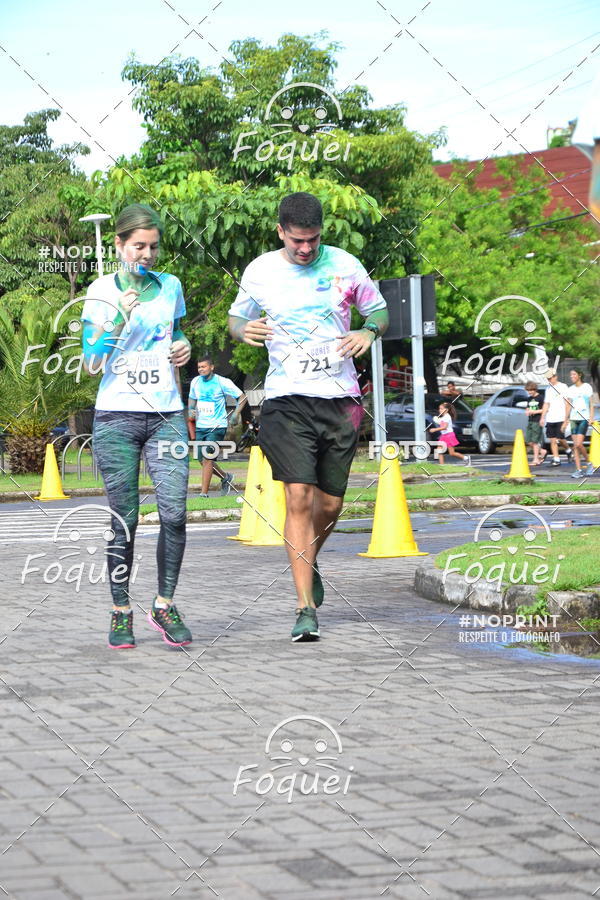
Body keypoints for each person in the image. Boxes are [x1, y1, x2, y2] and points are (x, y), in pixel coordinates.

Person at [228, 191, 389, 642]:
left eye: (313, 240)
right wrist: (246, 331)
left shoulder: (344, 264)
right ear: (281, 231)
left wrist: (368, 329)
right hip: (285, 399)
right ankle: (304, 608)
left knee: (332, 503)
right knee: (297, 496)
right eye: (297, 240)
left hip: (341, 399)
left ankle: (308, 556)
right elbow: (236, 321)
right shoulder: (259, 270)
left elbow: (378, 310)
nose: (305, 248)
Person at [81, 203, 193, 649]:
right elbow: (91, 362)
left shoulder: (170, 286)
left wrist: (184, 345)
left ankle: (164, 605)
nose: (146, 255)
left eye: (153, 247)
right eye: (138, 247)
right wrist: (116, 319)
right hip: (116, 416)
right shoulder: (101, 289)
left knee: (175, 513)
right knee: (124, 519)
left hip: (166, 415)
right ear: (119, 245)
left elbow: (177, 334)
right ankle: (121, 610)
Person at [187, 355, 247, 496]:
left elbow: (242, 397)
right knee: (201, 460)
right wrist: (191, 409)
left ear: (211, 367)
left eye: (204, 367)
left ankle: (204, 494)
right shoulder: (195, 381)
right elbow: (191, 398)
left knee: (208, 458)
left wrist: (236, 414)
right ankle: (226, 477)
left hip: (217, 426)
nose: (201, 370)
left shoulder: (222, 382)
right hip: (201, 426)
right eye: (199, 367)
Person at [564, 368, 594, 477]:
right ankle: (578, 470)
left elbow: (591, 404)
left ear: (579, 375)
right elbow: (568, 405)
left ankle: (589, 463)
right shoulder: (570, 389)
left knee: (578, 444)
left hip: (583, 419)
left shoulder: (587, 387)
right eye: (571, 375)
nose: (571, 376)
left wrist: (591, 417)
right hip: (573, 419)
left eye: (573, 374)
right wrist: (565, 420)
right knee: (575, 446)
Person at [540, 369, 573, 467]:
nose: (549, 380)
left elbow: (568, 403)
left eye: (550, 378)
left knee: (560, 438)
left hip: (561, 417)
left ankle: (568, 450)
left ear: (555, 376)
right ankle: (556, 459)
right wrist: (543, 417)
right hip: (550, 418)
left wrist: (566, 419)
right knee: (553, 440)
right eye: (548, 378)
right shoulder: (548, 389)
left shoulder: (563, 387)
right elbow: (546, 404)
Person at [428, 402, 471, 466]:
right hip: (443, 436)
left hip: (449, 436)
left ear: (446, 410)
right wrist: (437, 420)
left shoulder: (447, 417)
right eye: (439, 409)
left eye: (441, 409)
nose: (440, 410)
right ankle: (442, 465)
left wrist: (434, 429)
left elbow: (444, 427)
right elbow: (441, 423)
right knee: (439, 450)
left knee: (452, 453)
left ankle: (466, 458)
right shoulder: (444, 417)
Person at [524, 381, 547, 466]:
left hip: (537, 421)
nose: (529, 392)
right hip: (530, 420)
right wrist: (527, 411)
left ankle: (536, 459)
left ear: (535, 389)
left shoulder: (540, 398)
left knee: (535, 441)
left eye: (531, 390)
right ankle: (542, 451)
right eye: (528, 391)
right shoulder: (529, 398)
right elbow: (527, 407)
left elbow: (545, 409)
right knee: (529, 441)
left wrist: (535, 412)